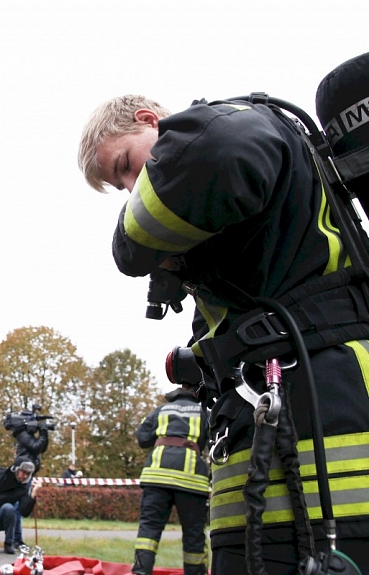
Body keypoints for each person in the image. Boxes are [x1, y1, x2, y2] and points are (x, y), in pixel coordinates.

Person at [77, 60, 369, 575]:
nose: (131, 189)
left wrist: (136, 244)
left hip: (326, 444)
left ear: (151, 122)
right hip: (261, 456)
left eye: (125, 165)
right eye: (120, 186)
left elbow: (212, 157)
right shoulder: (222, 231)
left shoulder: (223, 125)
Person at [131, 383, 210, 575]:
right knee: (193, 534)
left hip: (156, 477)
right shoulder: (204, 413)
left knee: (149, 530)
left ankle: (141, 572)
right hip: (190, 481)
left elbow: (142, 438)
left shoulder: (160, 410)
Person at [10, 412, 49, 547]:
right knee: (17, 507)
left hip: (28, 472)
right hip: (23, 473)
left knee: (19, 507)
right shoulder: (23, 435)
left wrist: (45, 433)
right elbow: (36, 446)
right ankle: (15, 539)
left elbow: (41, 448)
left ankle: (16, 539)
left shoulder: (27, 436)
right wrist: (43, 432)